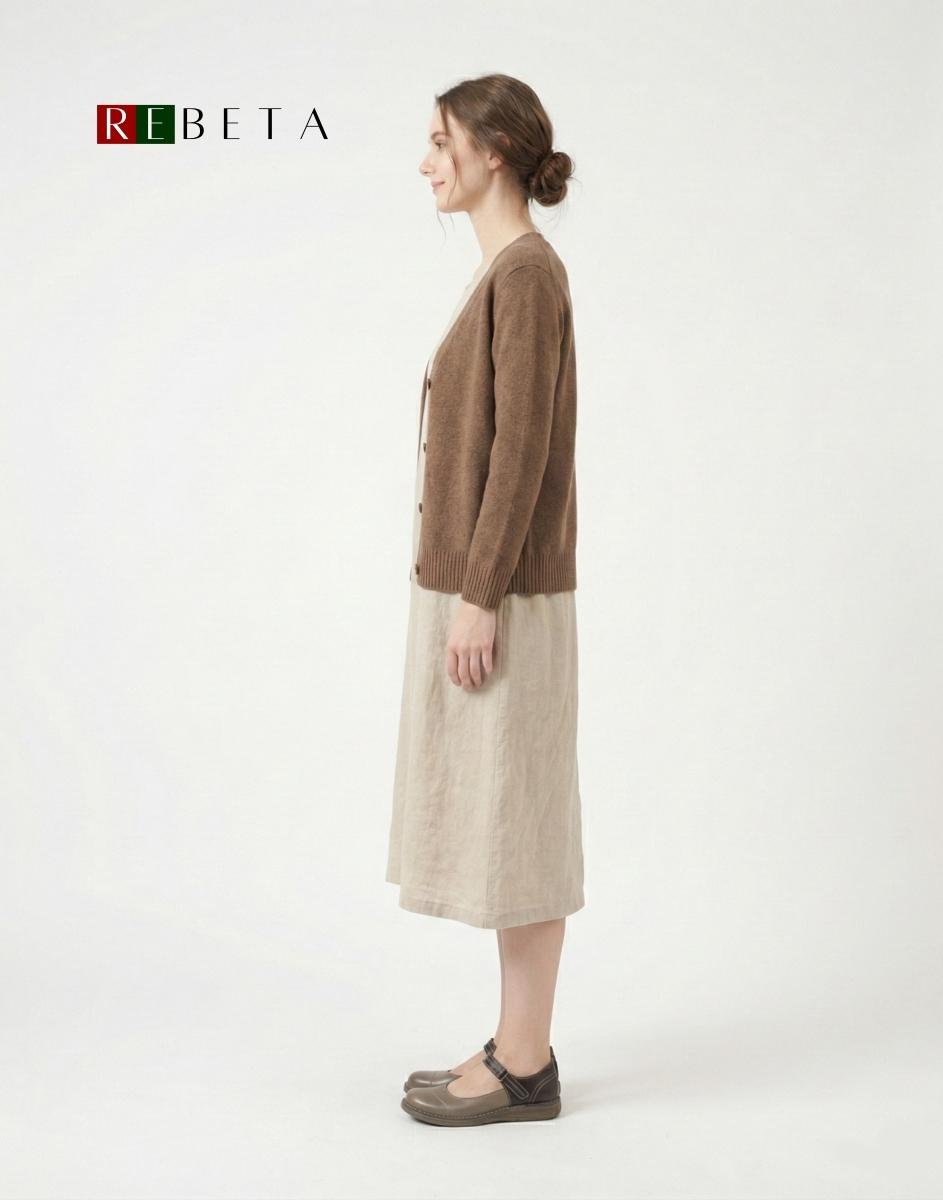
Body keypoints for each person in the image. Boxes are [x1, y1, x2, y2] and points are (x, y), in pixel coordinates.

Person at [387, 73, 583, 1127]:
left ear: (493, 150)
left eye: (440, 140)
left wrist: (481, 594)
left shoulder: (528, 275)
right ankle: (517, 1048)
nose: (426, 162)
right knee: (508, 819)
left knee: (524, 822)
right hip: (486, 589)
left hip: (503, 594)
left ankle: (525, 1064)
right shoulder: (508, 272)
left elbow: (520, 452)